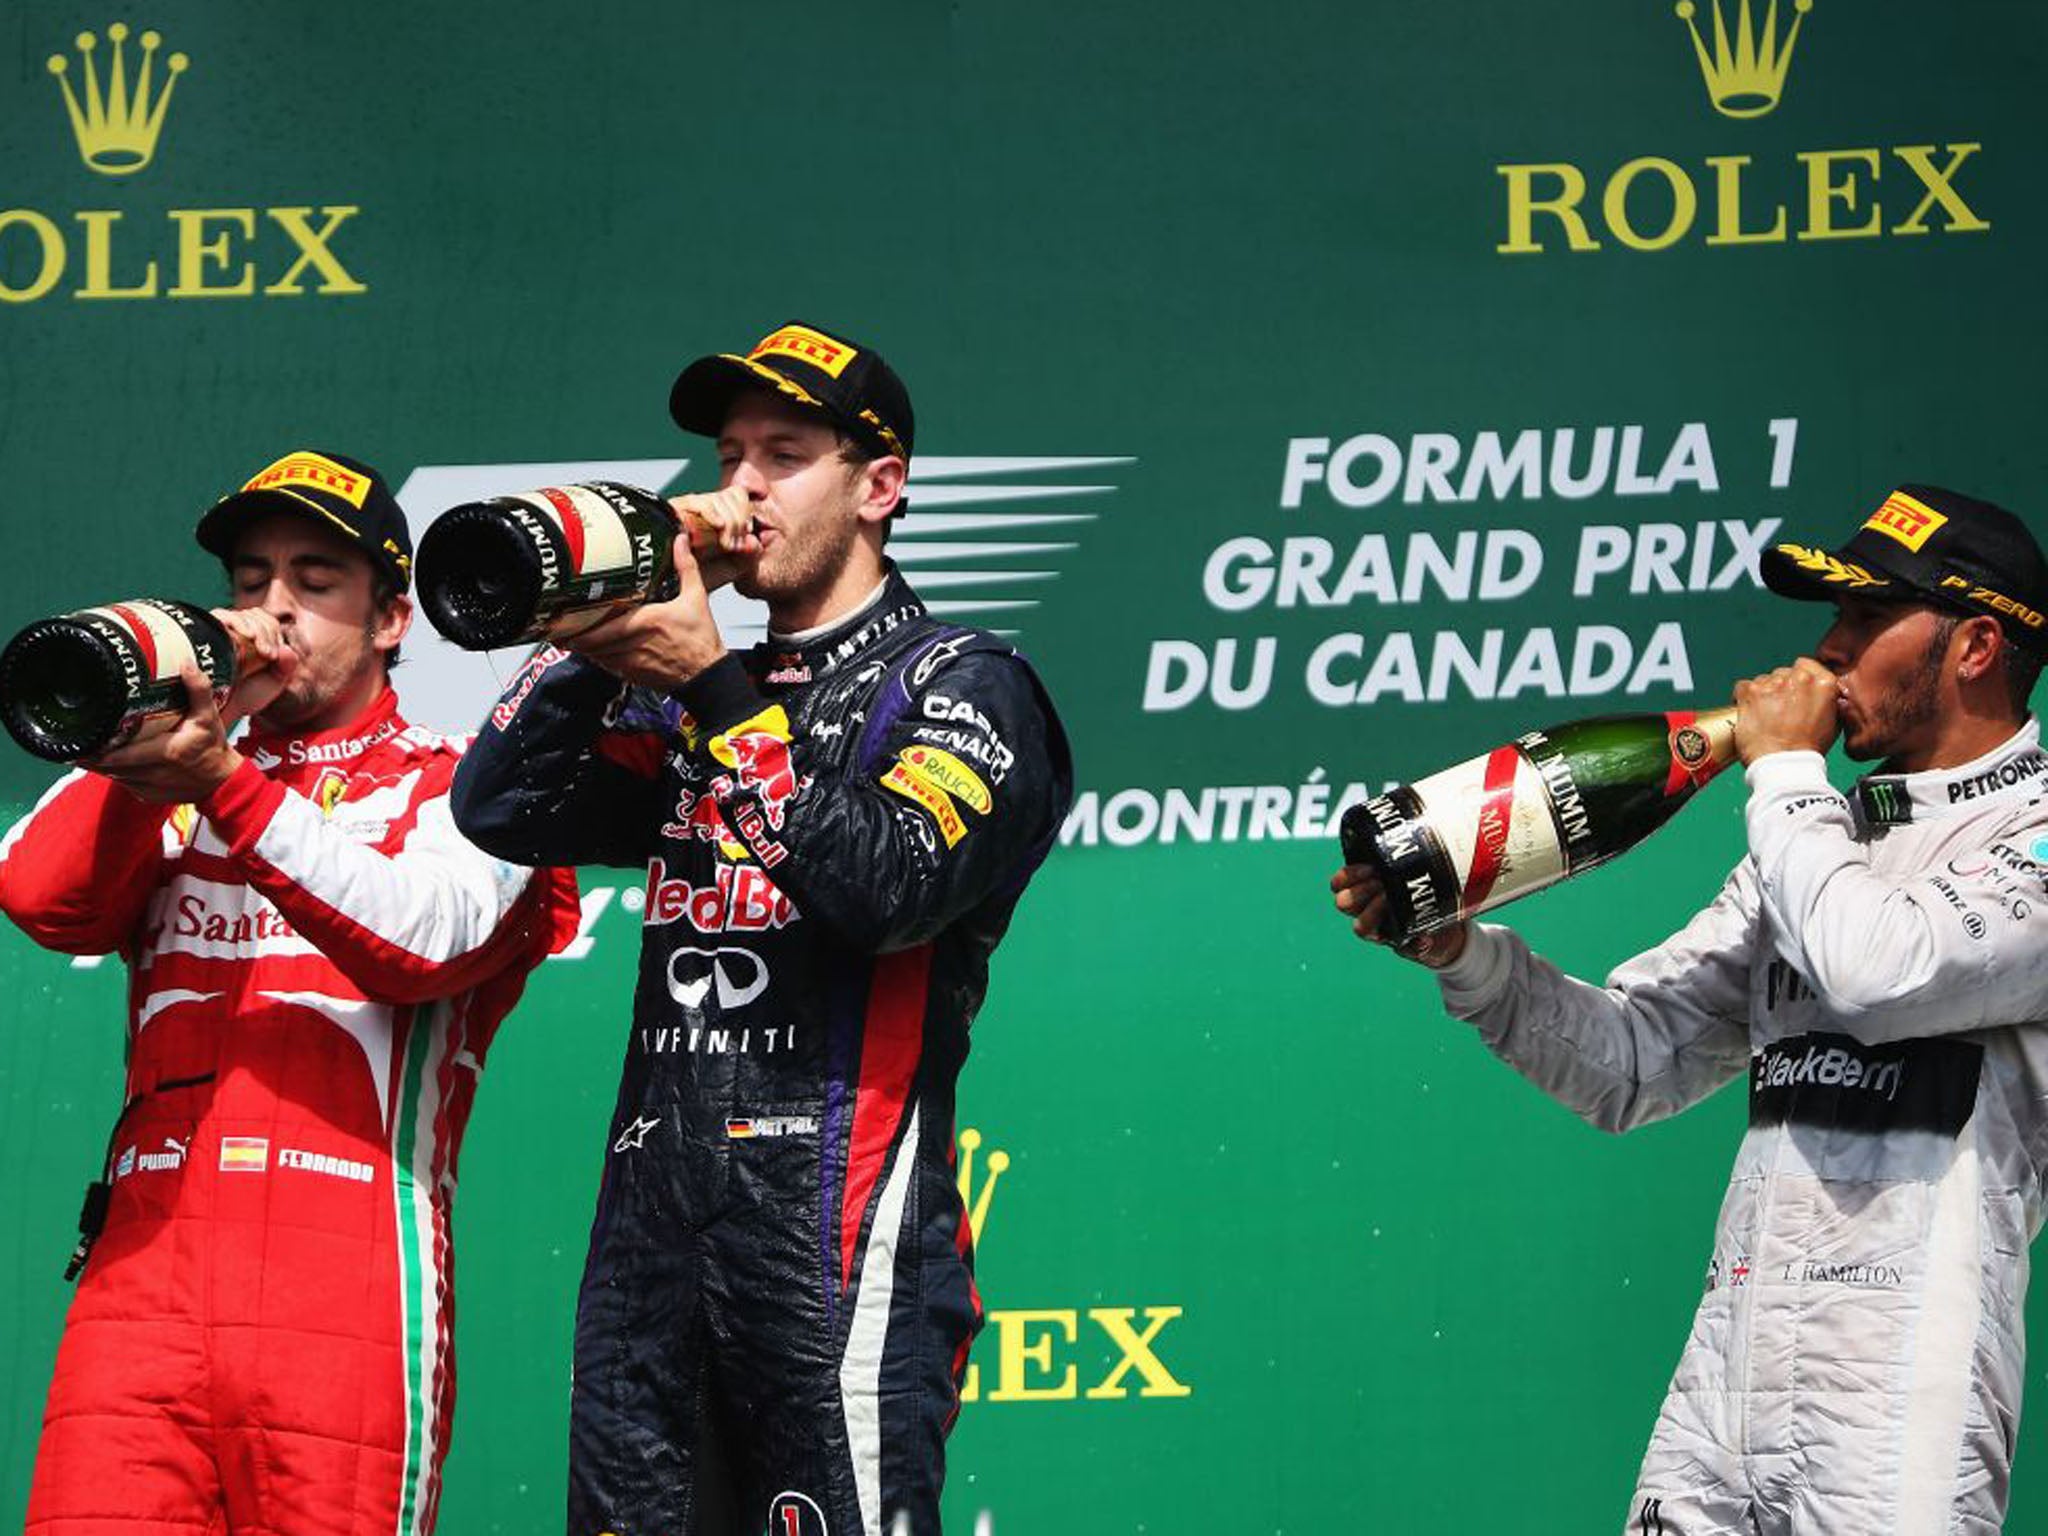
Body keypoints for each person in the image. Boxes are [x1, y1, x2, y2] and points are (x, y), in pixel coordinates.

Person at [450, 320, 1073, 1536]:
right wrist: (610, 621)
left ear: (878, 486)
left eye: (781, 454)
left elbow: (887, 888)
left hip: (834, 1231)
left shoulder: (959, 683)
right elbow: (500, 804)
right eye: (729, 453)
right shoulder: (690, 688)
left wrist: (716, 692)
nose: (739, 486)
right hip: (651, 1233)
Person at [1332, 484, 2048, 1535]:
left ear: (1975, 646)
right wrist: (1462, 952)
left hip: (1898, 1393)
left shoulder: (2017, 837)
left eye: (1859, 620)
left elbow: (1873, 969)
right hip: (1722, 1390)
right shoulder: (1813, 840)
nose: (1824, 653)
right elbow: (1632, 1061)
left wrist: (1787, 772)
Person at [0, 449, 580, 1536]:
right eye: (252, 580)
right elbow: (40, 897)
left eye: (316, 583)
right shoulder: (170, 763)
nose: (274, 611)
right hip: (141, 1282)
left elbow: (420, 942)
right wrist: (155, 745)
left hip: (348, 1291)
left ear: (392, 618)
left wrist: (225, 783)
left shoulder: (465, 783)